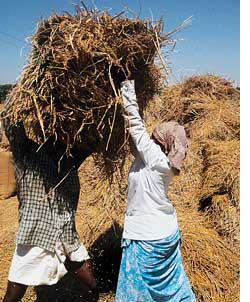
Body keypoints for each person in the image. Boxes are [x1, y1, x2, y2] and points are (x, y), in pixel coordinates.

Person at [0, 100, 99, 302]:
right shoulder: (27, 154)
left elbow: (96, 140)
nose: (68, 136)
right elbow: (10, 121)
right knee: (14, 293)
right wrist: (27, 95)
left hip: (66, 235)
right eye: (64, 131)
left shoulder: (69, 160)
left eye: (70, 133)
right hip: (37, 234)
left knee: (91, 284)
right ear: (51, 131)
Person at [115, 80, 195, 302]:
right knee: (174, 290)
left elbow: (135, 124)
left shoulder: (154, 159)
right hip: (167, 235)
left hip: (145, 239)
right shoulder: (164, 163)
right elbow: (135, 142)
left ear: (162, 142)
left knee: (136, 294)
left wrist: (127, 87)